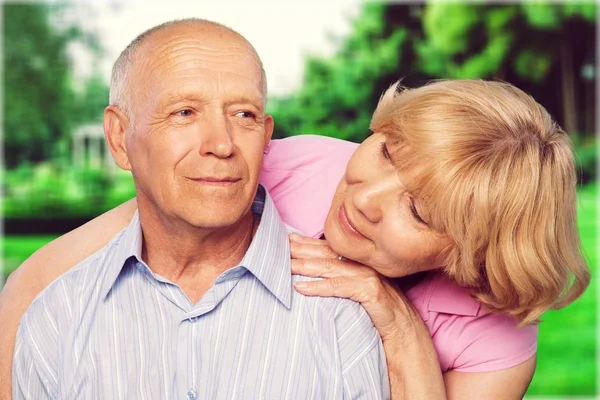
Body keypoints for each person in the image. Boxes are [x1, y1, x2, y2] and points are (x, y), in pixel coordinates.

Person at [0, 36, 589, 400]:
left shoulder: (494, 340)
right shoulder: (300, 166)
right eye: (385, 150)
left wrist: (396, 320)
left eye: (417, 209)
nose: (362, 195)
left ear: (470, 252)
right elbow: (33, 284)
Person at [7, 19, 391, 399]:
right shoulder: (57, 317)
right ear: (120, 139)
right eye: (185, 113)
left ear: (266, 136)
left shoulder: (343, 317)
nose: (222, 144)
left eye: (244, 115)